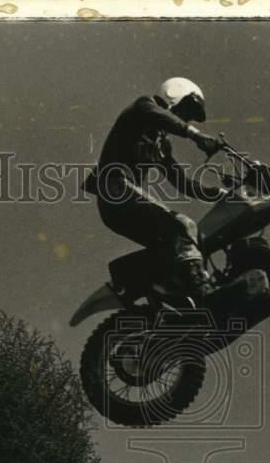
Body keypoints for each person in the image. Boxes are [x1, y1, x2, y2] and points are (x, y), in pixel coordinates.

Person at [85, 77, 225, 298]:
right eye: (187, 110)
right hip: (116, 189)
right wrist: (195, 135)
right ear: (174, 94)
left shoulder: (159, 143)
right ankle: (202, 290)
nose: (186, 117)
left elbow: (181, 181)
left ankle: (161, 291)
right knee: (182, 225)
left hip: (120, 206)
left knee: (173, 245)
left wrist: (218, 193)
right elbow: (158, 115)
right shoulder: (143, 107)